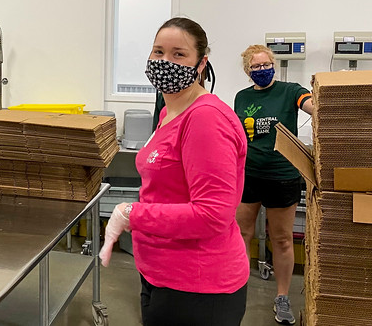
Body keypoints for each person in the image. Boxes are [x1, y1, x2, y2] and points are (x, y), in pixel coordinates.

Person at [99, 17, 249, 326]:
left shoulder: (205, 118)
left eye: (178, 54)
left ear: (201, 63)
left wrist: (132, 213)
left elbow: (212, 214)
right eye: (158, 52)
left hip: (197, 287)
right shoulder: (170, 112)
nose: (165, 62)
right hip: (160, 275)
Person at [234, 44, 313, 325]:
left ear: (274, 65)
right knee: (242, 234)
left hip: (283, 176)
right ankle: (237, 287)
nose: (262, 69)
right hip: (250, 174)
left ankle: (282, 297)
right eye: (255, 66)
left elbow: (312, 105)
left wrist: (332, 102)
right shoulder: (241, 98)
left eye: (266, 64)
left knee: (281, 239)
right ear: (247, 70)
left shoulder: (290, 91)